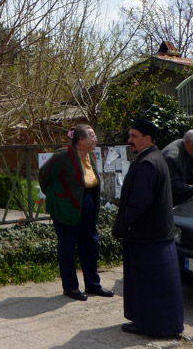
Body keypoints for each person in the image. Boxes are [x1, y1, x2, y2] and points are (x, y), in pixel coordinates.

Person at [113, 118, 184, 338]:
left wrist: (124, 223)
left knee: (147, 283)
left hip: (146, 235)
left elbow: (139, 202)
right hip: (156, 234)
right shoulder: (155, 157)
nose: (129, 140)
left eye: (134, 136)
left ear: (148, 138)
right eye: (130, 135)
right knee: (155, 284)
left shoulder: (147, 163)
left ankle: (149, 324)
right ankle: (155, 323)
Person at [38, 124, 114, 301]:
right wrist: (58, 195)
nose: (96, 139)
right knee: (67, 246)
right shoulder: (63, 155)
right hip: (66, 208)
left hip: (86, 204)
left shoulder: (90, 155)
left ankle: (93, 284)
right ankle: (71, 287)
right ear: (81, 140)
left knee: (90, 243)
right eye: (92, 136)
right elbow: (44, 174)